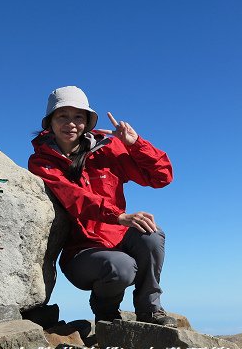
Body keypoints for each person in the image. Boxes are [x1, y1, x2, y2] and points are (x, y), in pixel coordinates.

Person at [27, 86, 176, 326]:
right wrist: (119, 216)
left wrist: (135, 144)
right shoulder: (41, 162)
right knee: (122, 267)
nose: (71, 123)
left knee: (151, 234)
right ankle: (106, 311)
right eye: (62, 116)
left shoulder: (107, 149)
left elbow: (161, 177)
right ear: (49, 122)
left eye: (78, 117)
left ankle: (150, 310)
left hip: (117, 237)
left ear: (87, 122)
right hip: (80, 251)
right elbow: (72, 197)